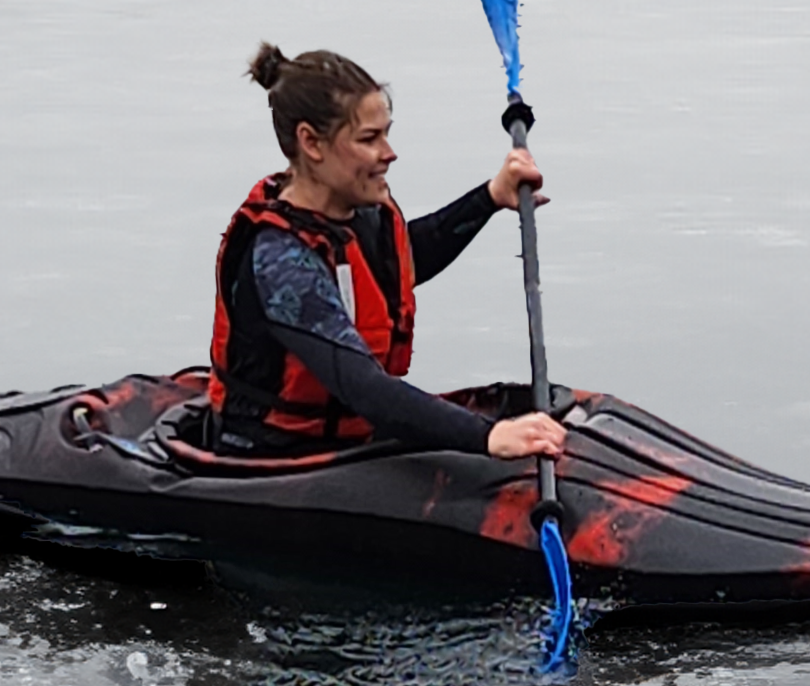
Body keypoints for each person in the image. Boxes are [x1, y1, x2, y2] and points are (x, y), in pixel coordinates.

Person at [205, 43, 571, 462]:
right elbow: (359, 384)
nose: (389, 153)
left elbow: (402, 263)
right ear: (311, 142)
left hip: (351, 436)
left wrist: (488, 198)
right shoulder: (278, 258)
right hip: (271, 454)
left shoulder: (359, 212)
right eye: (369, 138)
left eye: (386, 134)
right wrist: (488, 436)